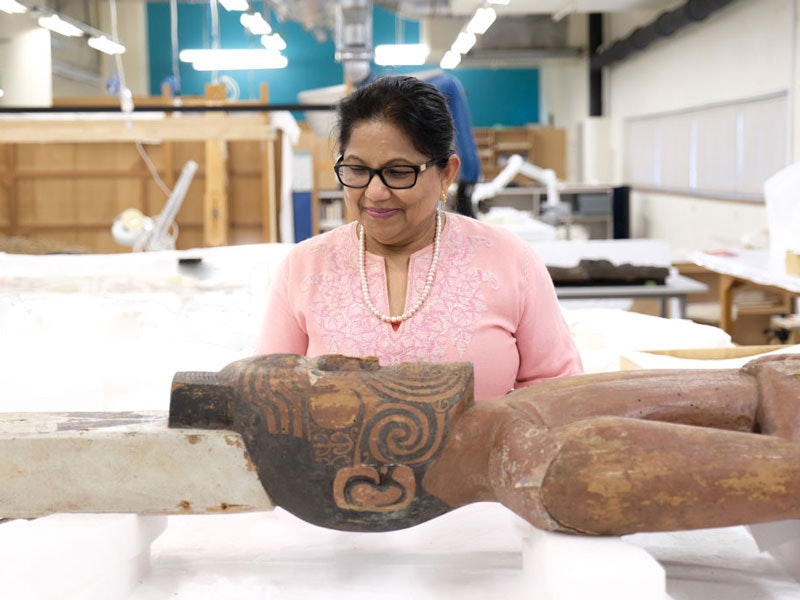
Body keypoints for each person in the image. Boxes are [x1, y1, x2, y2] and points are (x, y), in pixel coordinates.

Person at [257, 75, 582, 401]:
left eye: (398, 172)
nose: (375, 192)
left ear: (447, 174)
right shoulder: (304, 267)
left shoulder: (511, 261)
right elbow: (269, 397)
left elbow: (559, 393)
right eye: (356, 170)